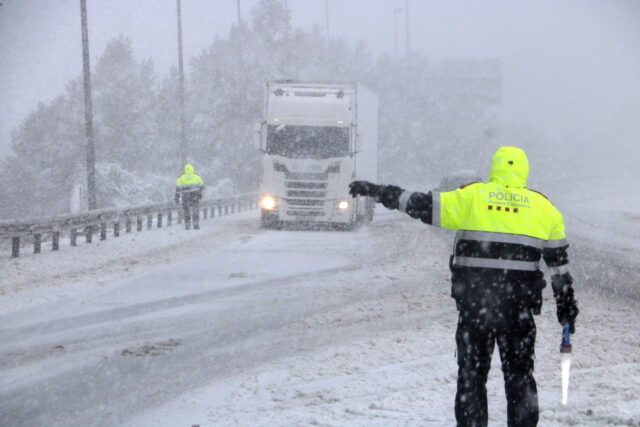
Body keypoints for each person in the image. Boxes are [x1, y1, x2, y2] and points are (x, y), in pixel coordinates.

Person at [348, 146, 578, 427]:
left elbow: (419, 204)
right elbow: (559, 267)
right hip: (518, 312)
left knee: (472, 377)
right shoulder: (544, 207)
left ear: (495, 167)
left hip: (476, 310)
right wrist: (566, 306)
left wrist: (379, 191)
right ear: (524, 171)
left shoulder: (472, 196)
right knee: (520, 378)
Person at [175, 163, 204, 230]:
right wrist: (199, 193)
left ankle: (187, 225)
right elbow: (202, 186)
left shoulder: (182, 178)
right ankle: (196, 224)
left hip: (185, 197)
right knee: (195, 210)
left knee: (186, 211)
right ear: (192, 169)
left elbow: (178, 189)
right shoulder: (196, 177)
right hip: (195, 197)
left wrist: (177, 198)